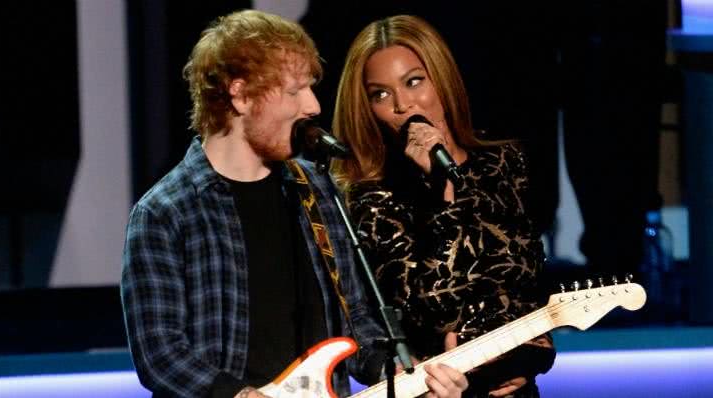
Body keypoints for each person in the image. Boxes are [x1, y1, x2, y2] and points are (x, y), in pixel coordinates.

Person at [121, 10, 467, 398]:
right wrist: (237, 394)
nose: (314, 105)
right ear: (241, 94)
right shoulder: (165, 213)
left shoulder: (316, 188)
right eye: (295, 91)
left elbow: (356, 326)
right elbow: (160, 353)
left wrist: (404, 375)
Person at [331, 15, 555, 397]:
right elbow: (439, 308)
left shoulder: (503, 163)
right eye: (380, 94)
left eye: (414, 81)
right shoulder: (373, 197)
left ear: (441, 78)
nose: (402, 104)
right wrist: (444, 193)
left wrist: (529, 361)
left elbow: (528, 292)